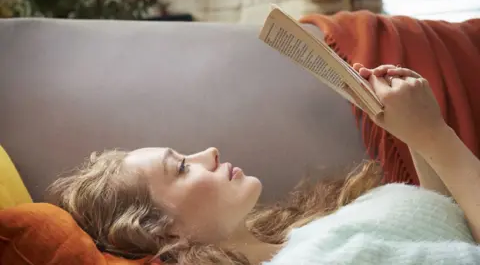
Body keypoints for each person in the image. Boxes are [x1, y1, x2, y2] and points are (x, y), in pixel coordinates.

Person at [46, 64, 480, 264]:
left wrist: (415, 134)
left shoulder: (297, 235)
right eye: (180, 168)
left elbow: (444, 229)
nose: (209, 152)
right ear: (164, 232)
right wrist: (433, 136)